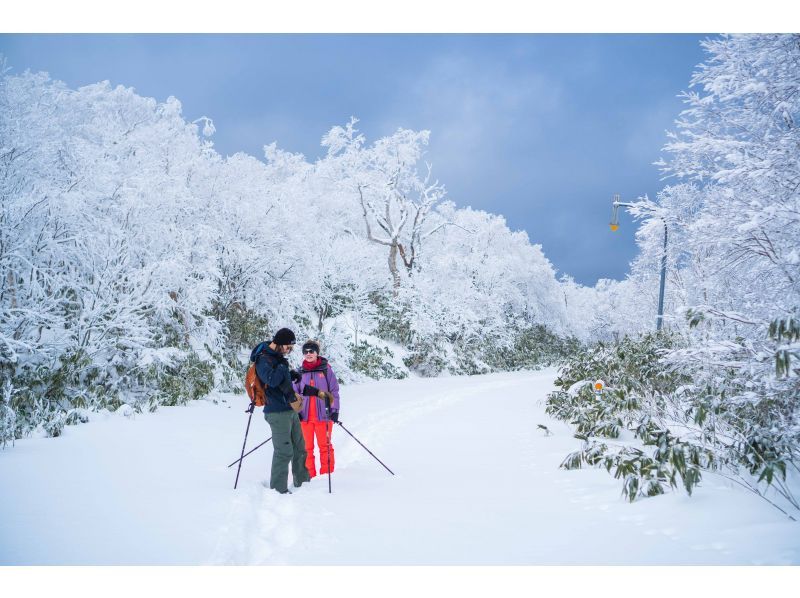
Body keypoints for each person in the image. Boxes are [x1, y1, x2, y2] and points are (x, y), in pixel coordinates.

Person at [252, 327, 310, 494]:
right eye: (288, 347)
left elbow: (280, 378)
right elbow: (271, 379)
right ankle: (278, 490)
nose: (289, 351)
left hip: (289, 409)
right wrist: (284, 369)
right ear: (279, 343)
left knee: (299, 447)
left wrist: (291, 375)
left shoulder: (277, 359)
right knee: (284, 451)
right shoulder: (263, 359)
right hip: (276, 412)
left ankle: (303, 483)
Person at [292, 340, 341, 480]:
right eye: (305, 351)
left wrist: (335, 410)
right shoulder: (299, 372)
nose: (308, 354)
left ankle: (327, 475)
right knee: (306, 449)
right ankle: (310, 476)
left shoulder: (326, 370)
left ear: (317, 353)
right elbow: (294, 394)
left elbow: (334, 391)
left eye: (311, 351)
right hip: (305, 418)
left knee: (325, 446)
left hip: (324, 416)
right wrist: (296, 413)